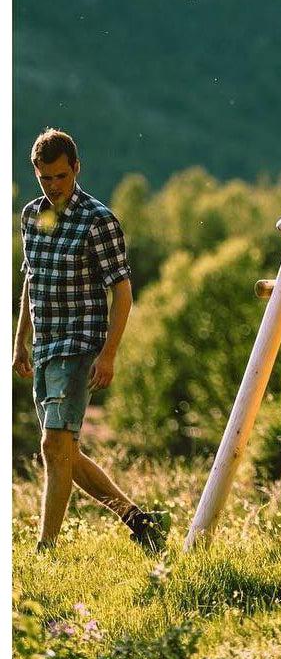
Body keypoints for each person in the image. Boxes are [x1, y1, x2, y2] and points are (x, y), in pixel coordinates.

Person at [13, 129, 170, 553]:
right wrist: (19, 341)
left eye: (61, 176)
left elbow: (122, 290)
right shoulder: (31, 216)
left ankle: (46, 548)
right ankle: (139, 520)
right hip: (44, 345)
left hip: (80, 344)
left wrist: (109, 353)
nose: (53, 186)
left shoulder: (98, 220)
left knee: (54, 443)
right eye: (45, 178)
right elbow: (32, 278)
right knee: (61, 451)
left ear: (76, 168)